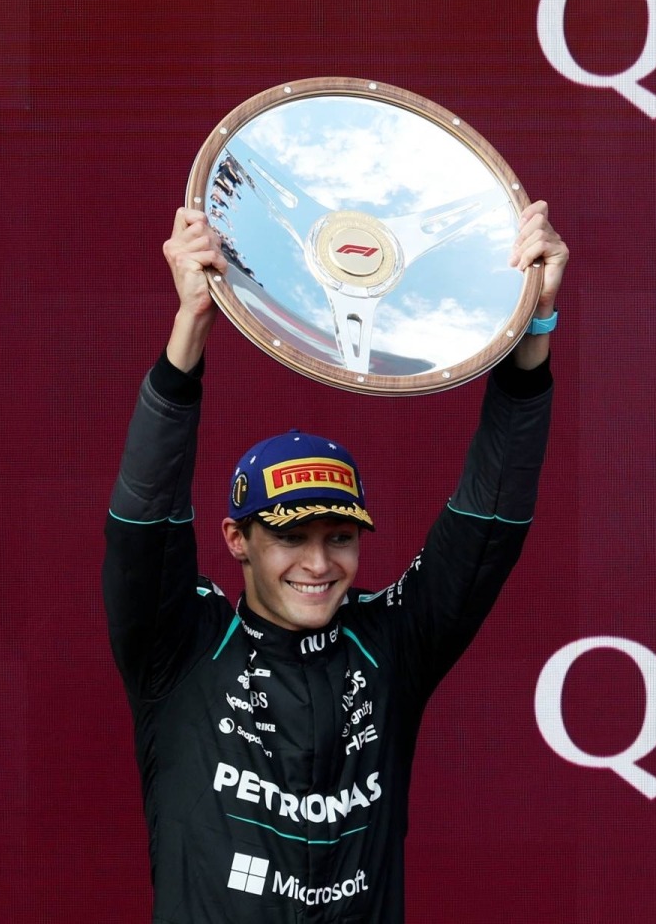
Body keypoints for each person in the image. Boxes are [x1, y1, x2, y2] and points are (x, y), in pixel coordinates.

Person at [104, 202, 568, 922]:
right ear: (236, 540)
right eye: (291, 537)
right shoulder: (181, 648)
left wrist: (531, 327)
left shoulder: (391, 644)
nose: (318, 563)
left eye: (340, 537)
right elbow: (143, 517)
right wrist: (190, 325)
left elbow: (489, 520)